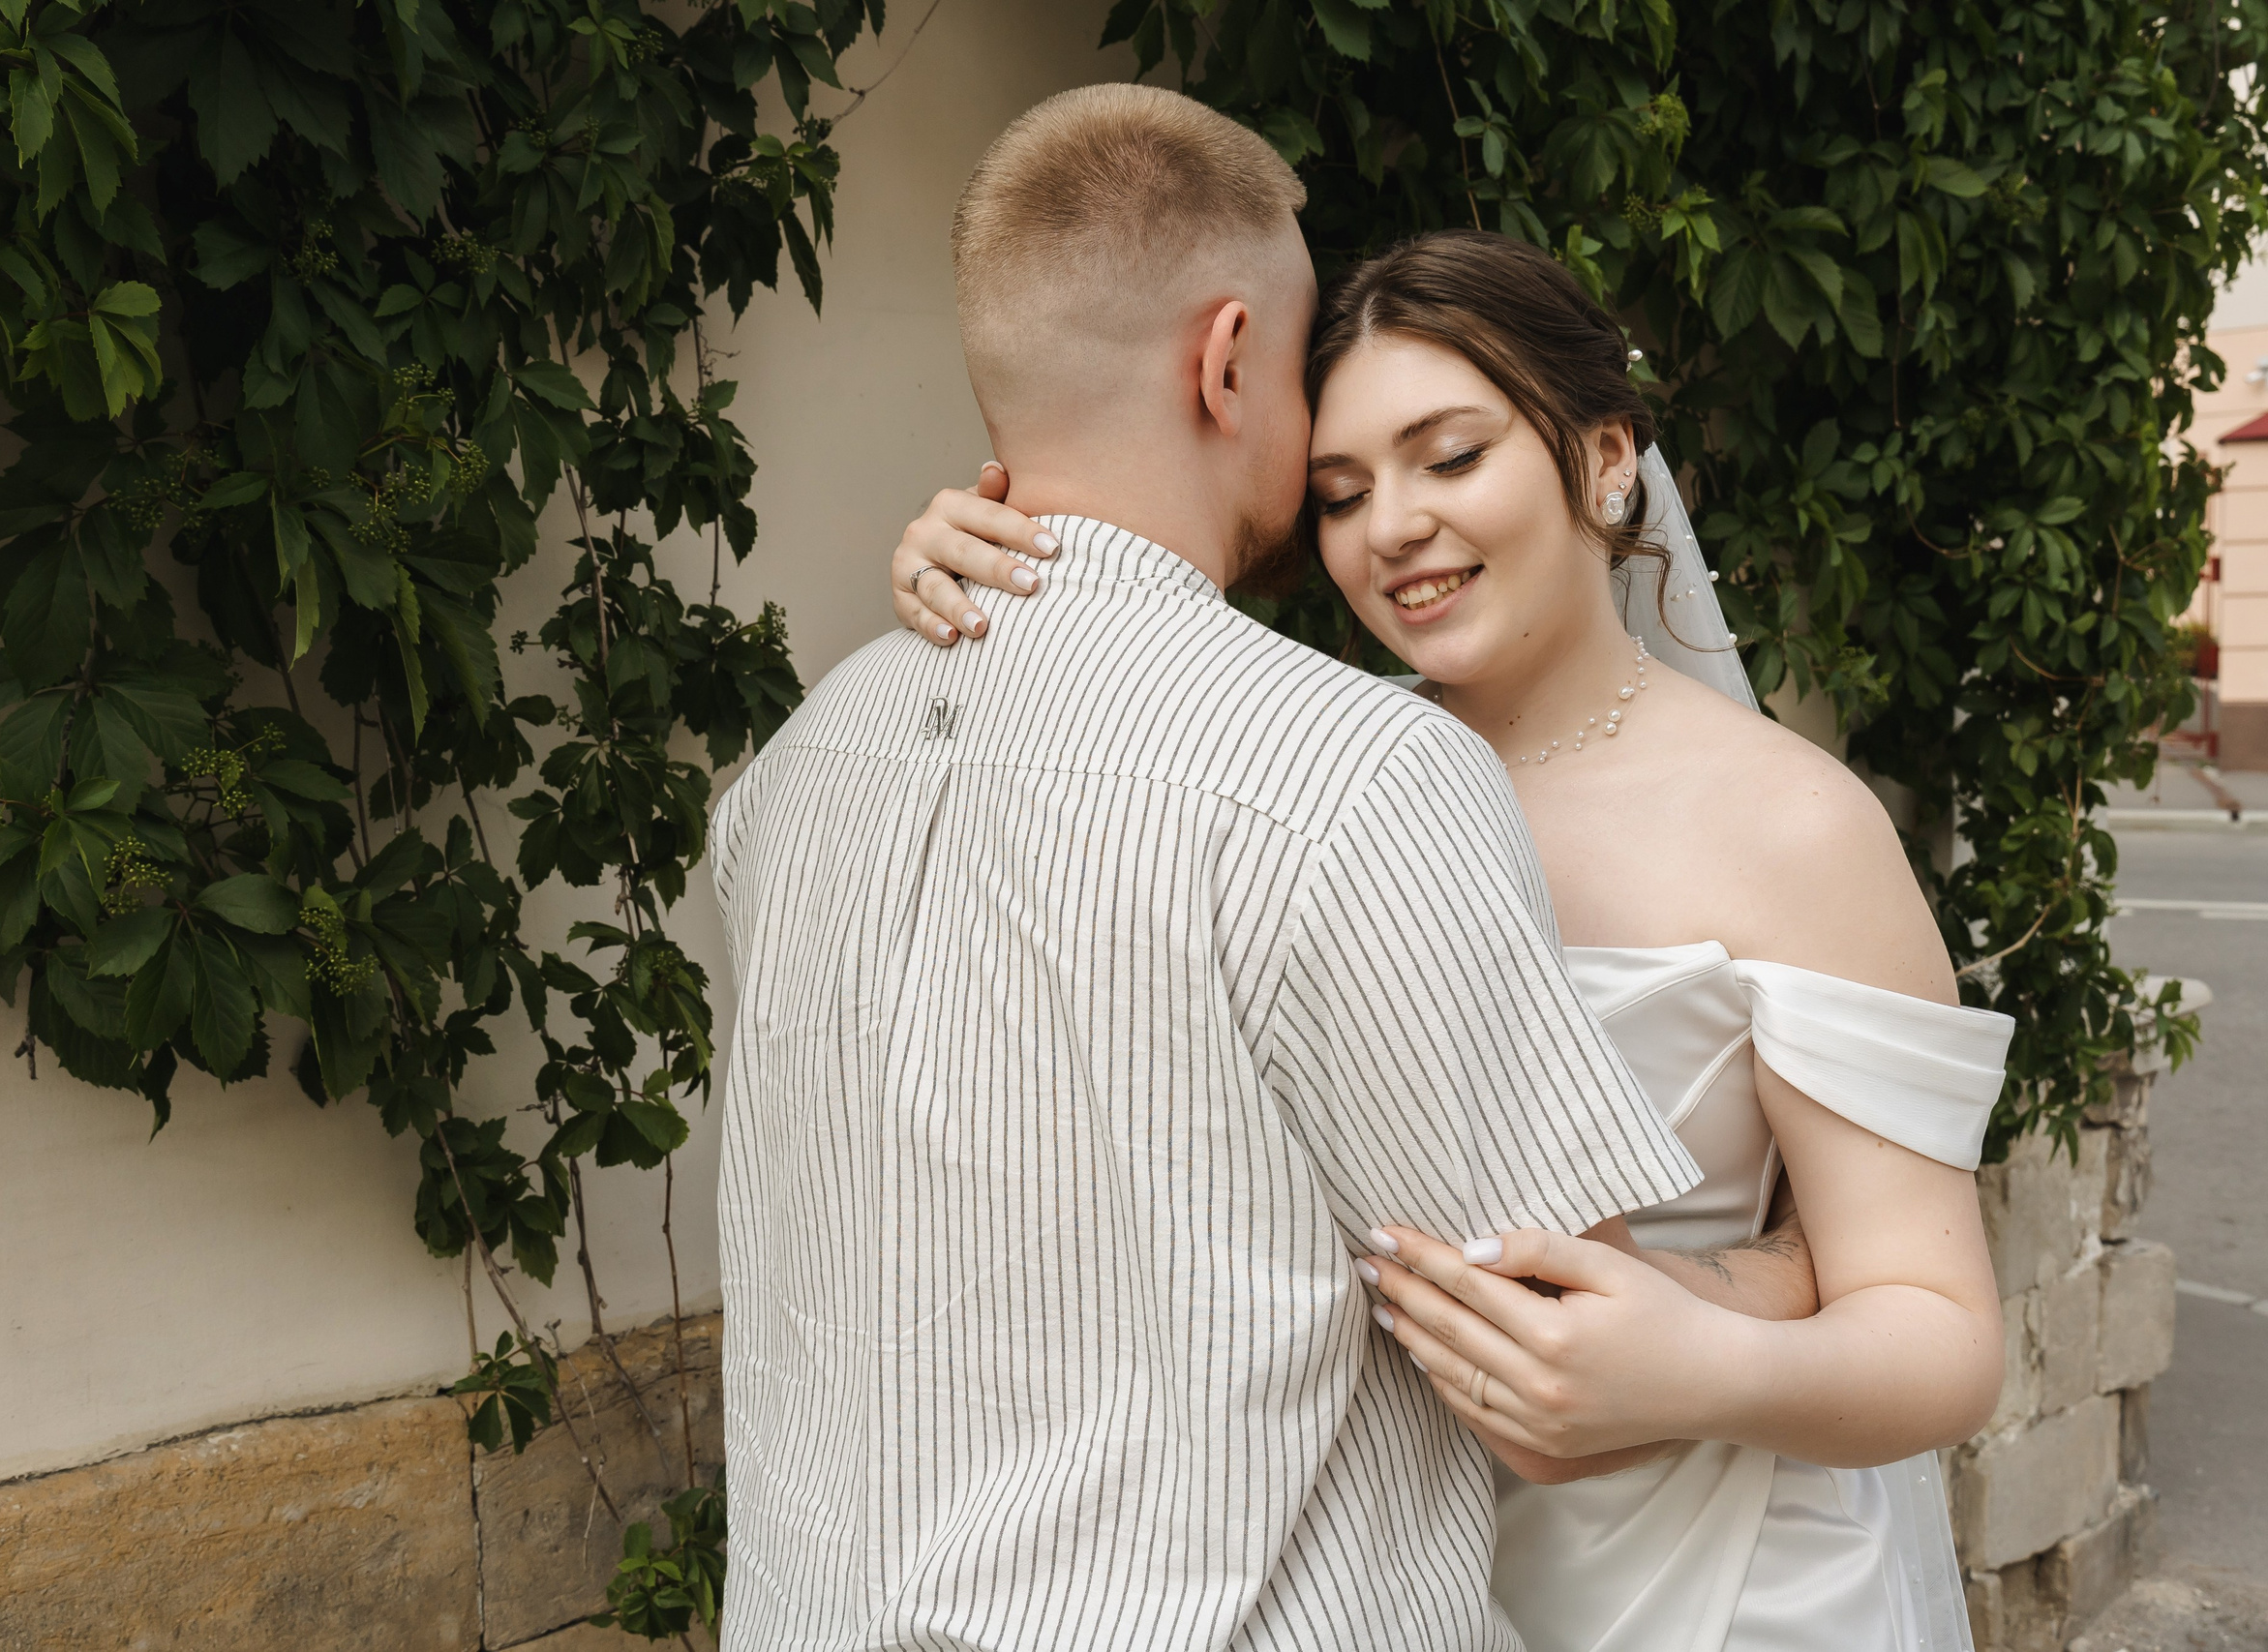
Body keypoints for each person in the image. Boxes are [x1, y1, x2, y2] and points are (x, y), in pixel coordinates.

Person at [886, 228, 2014, 1651]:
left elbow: (1939, 1332)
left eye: (1452, 457)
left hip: (1719, 1580)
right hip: (1361, 1565)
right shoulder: (1304, 784)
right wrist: (989, 553)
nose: (1392, 527)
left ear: (1606, 457)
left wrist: (1699, 1365)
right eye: (1343, 493)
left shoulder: (1790, 827)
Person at [709, 86, 1713, 1651]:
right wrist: (1788, 1274)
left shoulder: (790, 774)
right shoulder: (1356, 784)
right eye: (1309, 368)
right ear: (1228, 356)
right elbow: (1566, 1396)